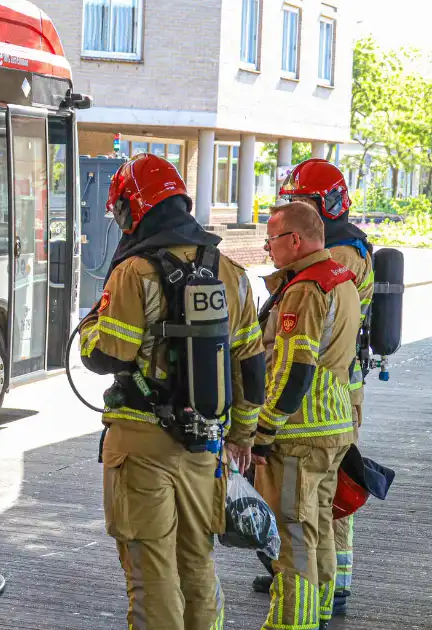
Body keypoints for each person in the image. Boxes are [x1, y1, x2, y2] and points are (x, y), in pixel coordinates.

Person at [79, 153, 266, 630]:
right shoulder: (230, 271)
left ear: (133, 209)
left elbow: (109, 356)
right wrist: (242, 434)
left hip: (141, 447)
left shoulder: (134, 272)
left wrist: (88, 328)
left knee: (151, 572)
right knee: (198, 564)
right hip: (206, 444)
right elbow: (251, 364)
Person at [254, 159, 373, 616]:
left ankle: (293, 623)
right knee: (319, 525)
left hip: (300, 431)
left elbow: (294, 369)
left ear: (296, 240)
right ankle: (320, 610)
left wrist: (262, 430)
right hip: (335, 422)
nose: (267, 247)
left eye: (272, 239)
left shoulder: (307, 288)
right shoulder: (341, 276)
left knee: (293, 536)